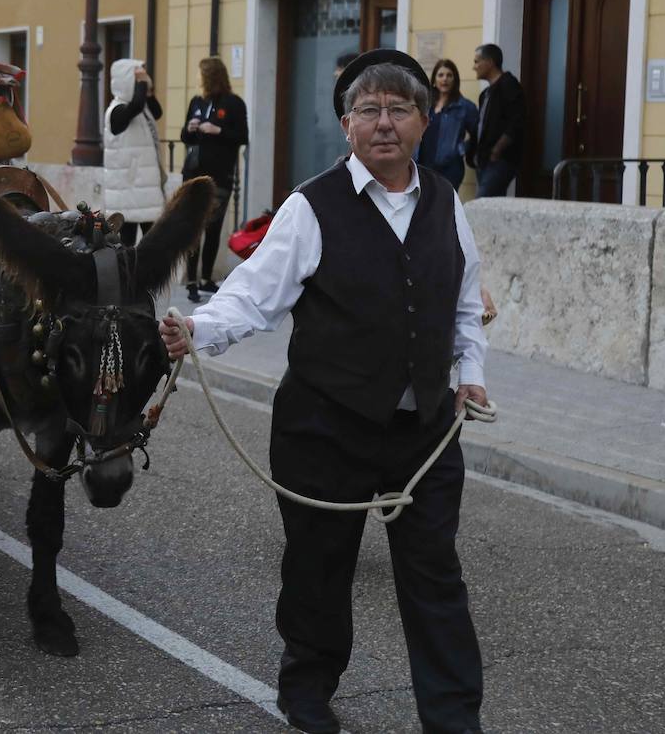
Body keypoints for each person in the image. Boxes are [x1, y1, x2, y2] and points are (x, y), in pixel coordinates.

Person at [160, 49, 489, 734]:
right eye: (368, 110)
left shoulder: (446, 208)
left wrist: (471, 374)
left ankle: (454, 718)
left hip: (424, 431)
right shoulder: (310, 206)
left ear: (425, 122)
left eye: (400, 109)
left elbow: (463, 305)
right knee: (319, 568)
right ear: (346, 125)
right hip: (325, 425)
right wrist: (197, 328)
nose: (384, 124)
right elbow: (254, 295)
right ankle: (307, 692)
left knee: (435, 580)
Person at [180, 56, 249, 301]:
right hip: (193, 175)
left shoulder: (234, 103)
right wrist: (190, 128)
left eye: (201, 74)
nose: (198, 79)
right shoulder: (197, 102)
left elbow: (242, 135)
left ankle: (207, 279)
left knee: (213, 227)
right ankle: (191, 281)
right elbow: (184, 138)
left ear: (210, 76)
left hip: (220, 176)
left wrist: (217, 130)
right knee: (192, 228)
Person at [102, 58, 165, 247]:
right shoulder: (116, 111)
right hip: (127, 190)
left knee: (152, 244)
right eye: (136, 77)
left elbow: (157, 112)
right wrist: (142, 82)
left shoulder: (141, 108)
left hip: (144, 188)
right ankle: (128, 276)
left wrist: (150, 91)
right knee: (127, 244)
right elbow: (136, 105)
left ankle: (146, 276)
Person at [467, 43, 525, 198]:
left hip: (500, 161)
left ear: (490, 62)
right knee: (491, 207)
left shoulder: (509, 85)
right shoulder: (485, 93)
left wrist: (496, 151)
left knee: (481, 204)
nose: (474, 67)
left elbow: (517, 122)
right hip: (484, 160)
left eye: (477, 61)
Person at [418, 59, 478, 189]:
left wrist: (460, 149)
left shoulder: (465, 107)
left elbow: (477, 135)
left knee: (445, 206)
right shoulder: (424, 105)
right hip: (422, 166)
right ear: (434, 80)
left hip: (450, 168)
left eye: (449, 75)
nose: (445, 79)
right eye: (441, 75)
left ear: (455, 80)